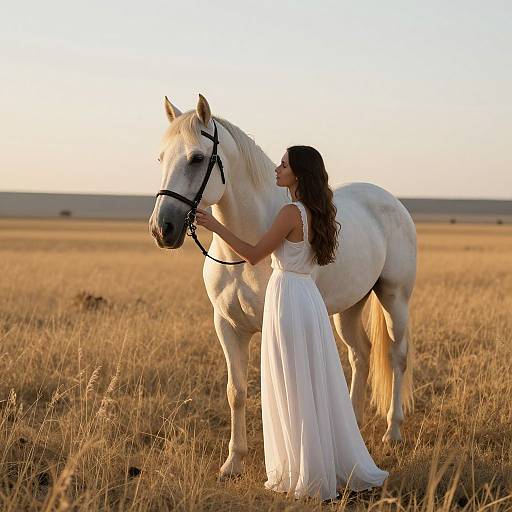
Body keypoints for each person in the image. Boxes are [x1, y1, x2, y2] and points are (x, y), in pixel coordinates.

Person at [195, 145, 389, 503]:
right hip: (308, 299)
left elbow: (253, 255)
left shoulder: (288, 212)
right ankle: (320, 463)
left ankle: (304, 472)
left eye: (283, 164)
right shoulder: (319, 212)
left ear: (298, 174)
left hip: (287, 298)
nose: (277, 168)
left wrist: (213, 225)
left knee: (290, 383)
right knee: (310, 382)